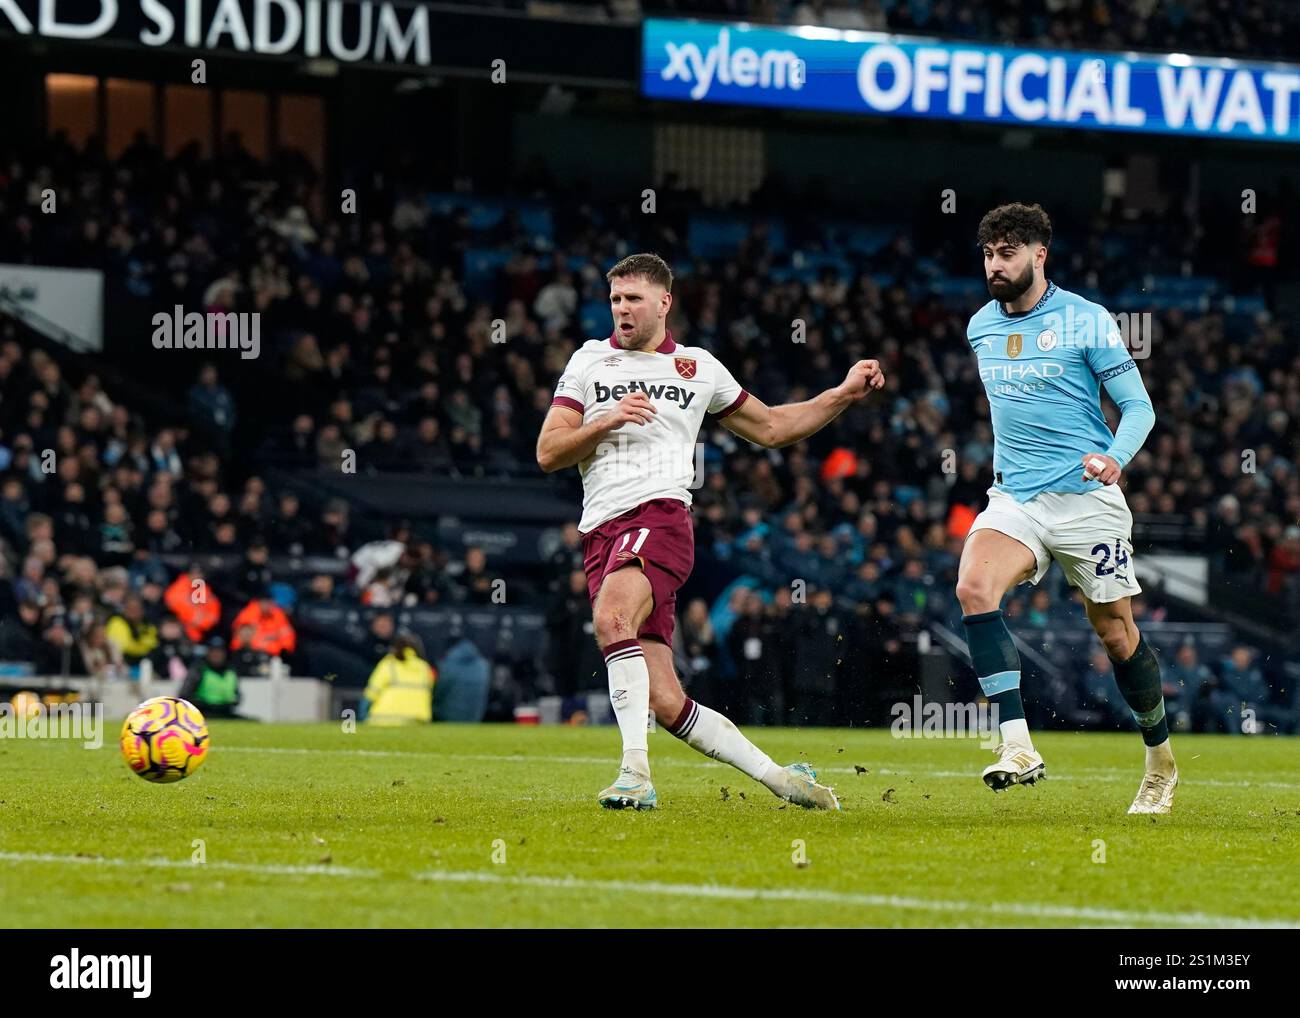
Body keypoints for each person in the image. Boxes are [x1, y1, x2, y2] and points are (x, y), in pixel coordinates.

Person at [535, 251, 884, 810]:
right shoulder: (588, 363)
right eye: (615, 300)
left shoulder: (697, 368)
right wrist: (605, 420)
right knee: (667, 701)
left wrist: (840, 394)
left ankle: (634, 774)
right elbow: (549, 451)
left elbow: (771, 427)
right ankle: (782, 780)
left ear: (664, 303)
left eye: (633, 300)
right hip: (600, 533)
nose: (621, 310)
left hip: (660, 518)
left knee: (610, 617)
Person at [955, 203, 1173, 814]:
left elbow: (1139, 408)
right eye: (989, 255)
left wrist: (1115, 458)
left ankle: (1159, 761)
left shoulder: (1087, 320)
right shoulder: (979, 326)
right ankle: (1018, 746)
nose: (995, 266)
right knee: (974, 587)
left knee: (1115, 633)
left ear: (1039, 255)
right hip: (1016, 498)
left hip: (1087, 501)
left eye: (1008, 254)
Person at [362, 633, 436, 726]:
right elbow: (430, 694)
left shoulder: (388, 664)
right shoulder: (424, 667)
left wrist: (363, 715)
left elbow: (370, 694)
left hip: (384, 719)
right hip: (418, 720)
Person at [180, 638, 243, 718]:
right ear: (208, 653)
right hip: (203, 713)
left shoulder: (231, 671)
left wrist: (231, 702)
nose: (216, 655)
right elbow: (185, 695)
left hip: (226, 712)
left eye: (219, 651)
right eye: (213, 651)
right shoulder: (199, 669)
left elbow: (237, 695)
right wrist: (203, 704)